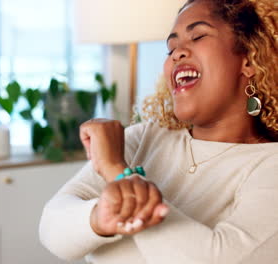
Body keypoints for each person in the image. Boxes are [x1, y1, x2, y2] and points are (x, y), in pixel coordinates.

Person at [39, 0, 278, 263]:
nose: (177, 53)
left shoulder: (269, 164)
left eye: (197, 36)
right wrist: (99, 217)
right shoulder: (144, 138)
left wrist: (119, 174)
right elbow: (51, 229)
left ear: (250, 59)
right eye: (170, 48)